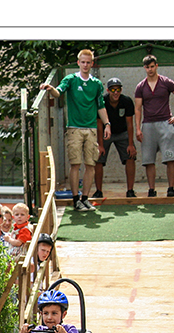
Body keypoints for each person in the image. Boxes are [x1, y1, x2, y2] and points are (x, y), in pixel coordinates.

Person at [40, 49, 111, 212]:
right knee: (75, 164)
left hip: (91, 128)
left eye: (88, 62)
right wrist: (50, 88)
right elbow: (58, 93)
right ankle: (75, 199)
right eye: (83, 62)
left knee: (91, 164)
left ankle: (85, 198)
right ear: (78, 63)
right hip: (74, 128)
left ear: (92, 64)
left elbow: (101, 106)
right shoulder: (71, 79)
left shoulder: (97, 84)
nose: (85, 65)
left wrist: (107, 124)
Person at [134, 55, 174, 198]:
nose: (150, 69)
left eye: (152, 66)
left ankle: (171, 188)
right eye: (147, 67)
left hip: (165, 124)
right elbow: (137, 108)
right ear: (144, 68)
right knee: (148, 160)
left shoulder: (166, 82)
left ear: (156, 65)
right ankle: (151, 189)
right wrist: (138, 128)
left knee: (170, 158)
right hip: (148, 125)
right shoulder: (140, 86)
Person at [94, 77, 138, 198]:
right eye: (113, 89)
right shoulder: (101, 101)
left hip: (122, 133)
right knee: (98, 158)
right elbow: (98, 124)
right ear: (108, 90)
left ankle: (130, 190)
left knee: (130, 156)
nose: (115, 92)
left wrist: (130, 144)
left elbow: (129, 124)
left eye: (118, 89)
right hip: (105, 133)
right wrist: (100, 145)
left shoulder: (127, 101)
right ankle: (98, 191)